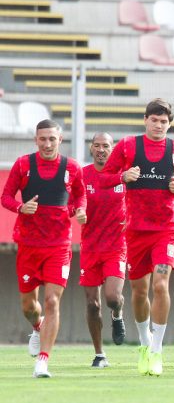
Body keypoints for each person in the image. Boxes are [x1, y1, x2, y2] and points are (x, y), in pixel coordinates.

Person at [101, 98, 174, 375]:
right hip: (136, 229)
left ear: (169, 124)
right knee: (140, 291)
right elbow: (103, 177)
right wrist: (122, 175)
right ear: (145, 120)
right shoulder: (128, 146)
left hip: (167, 227)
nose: (159, 125)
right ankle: (144, 343)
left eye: (164, 121)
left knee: (161, 284)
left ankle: (157, 350)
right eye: (154, 120)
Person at [1, 119, 86, 378]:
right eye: (42, 139)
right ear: (36, 140)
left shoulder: (72, 167)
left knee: (52, 301)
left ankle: (43, 361)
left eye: (52, 139)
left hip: (59, 245)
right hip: (28, 244)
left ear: (60, 140)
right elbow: (5, 196)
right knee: (30, 305)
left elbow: (80, 195)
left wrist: (78, 210)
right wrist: (20, 208)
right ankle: (37, 327)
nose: (47, 144)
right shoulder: (23, 165)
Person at [80, 132, 127, 368]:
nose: (101, 149)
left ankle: (117, 314)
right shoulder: (83, 175)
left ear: (113, 149)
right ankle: (99, 354)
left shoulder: (123, 175)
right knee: (92, 303)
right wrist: (76, 211)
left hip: (116, 246)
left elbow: (139, 202)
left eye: (106, 146)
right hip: (90, 247)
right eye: (97, 145)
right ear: (91, 149)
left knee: (111, 297)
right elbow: (72, 202)